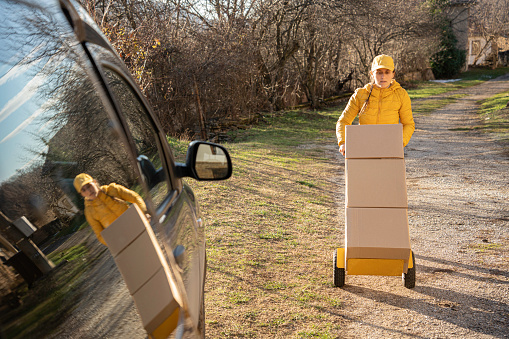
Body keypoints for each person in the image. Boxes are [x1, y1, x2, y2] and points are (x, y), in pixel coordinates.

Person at [336, 54, 415, 156]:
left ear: (393, 74)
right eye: (379, 73)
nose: (383, 76)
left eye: (387, 72)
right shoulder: (360, 94)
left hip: (390, 148)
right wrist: (343, 142)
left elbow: (409, 124)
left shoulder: (401, 95)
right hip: (364, 147)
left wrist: (399, 143)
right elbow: (343, 121)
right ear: (372, 74)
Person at [73, 173, 148, 246]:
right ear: (81, 194)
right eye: (83, 190)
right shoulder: (89, 212)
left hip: (138, 226)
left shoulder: (113, 189)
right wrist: (115, 244)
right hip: (123, 242)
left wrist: (143, 213)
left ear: (95, 182)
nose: (88, 191)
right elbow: (100, 235)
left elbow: (135, 197)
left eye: (89, 186)